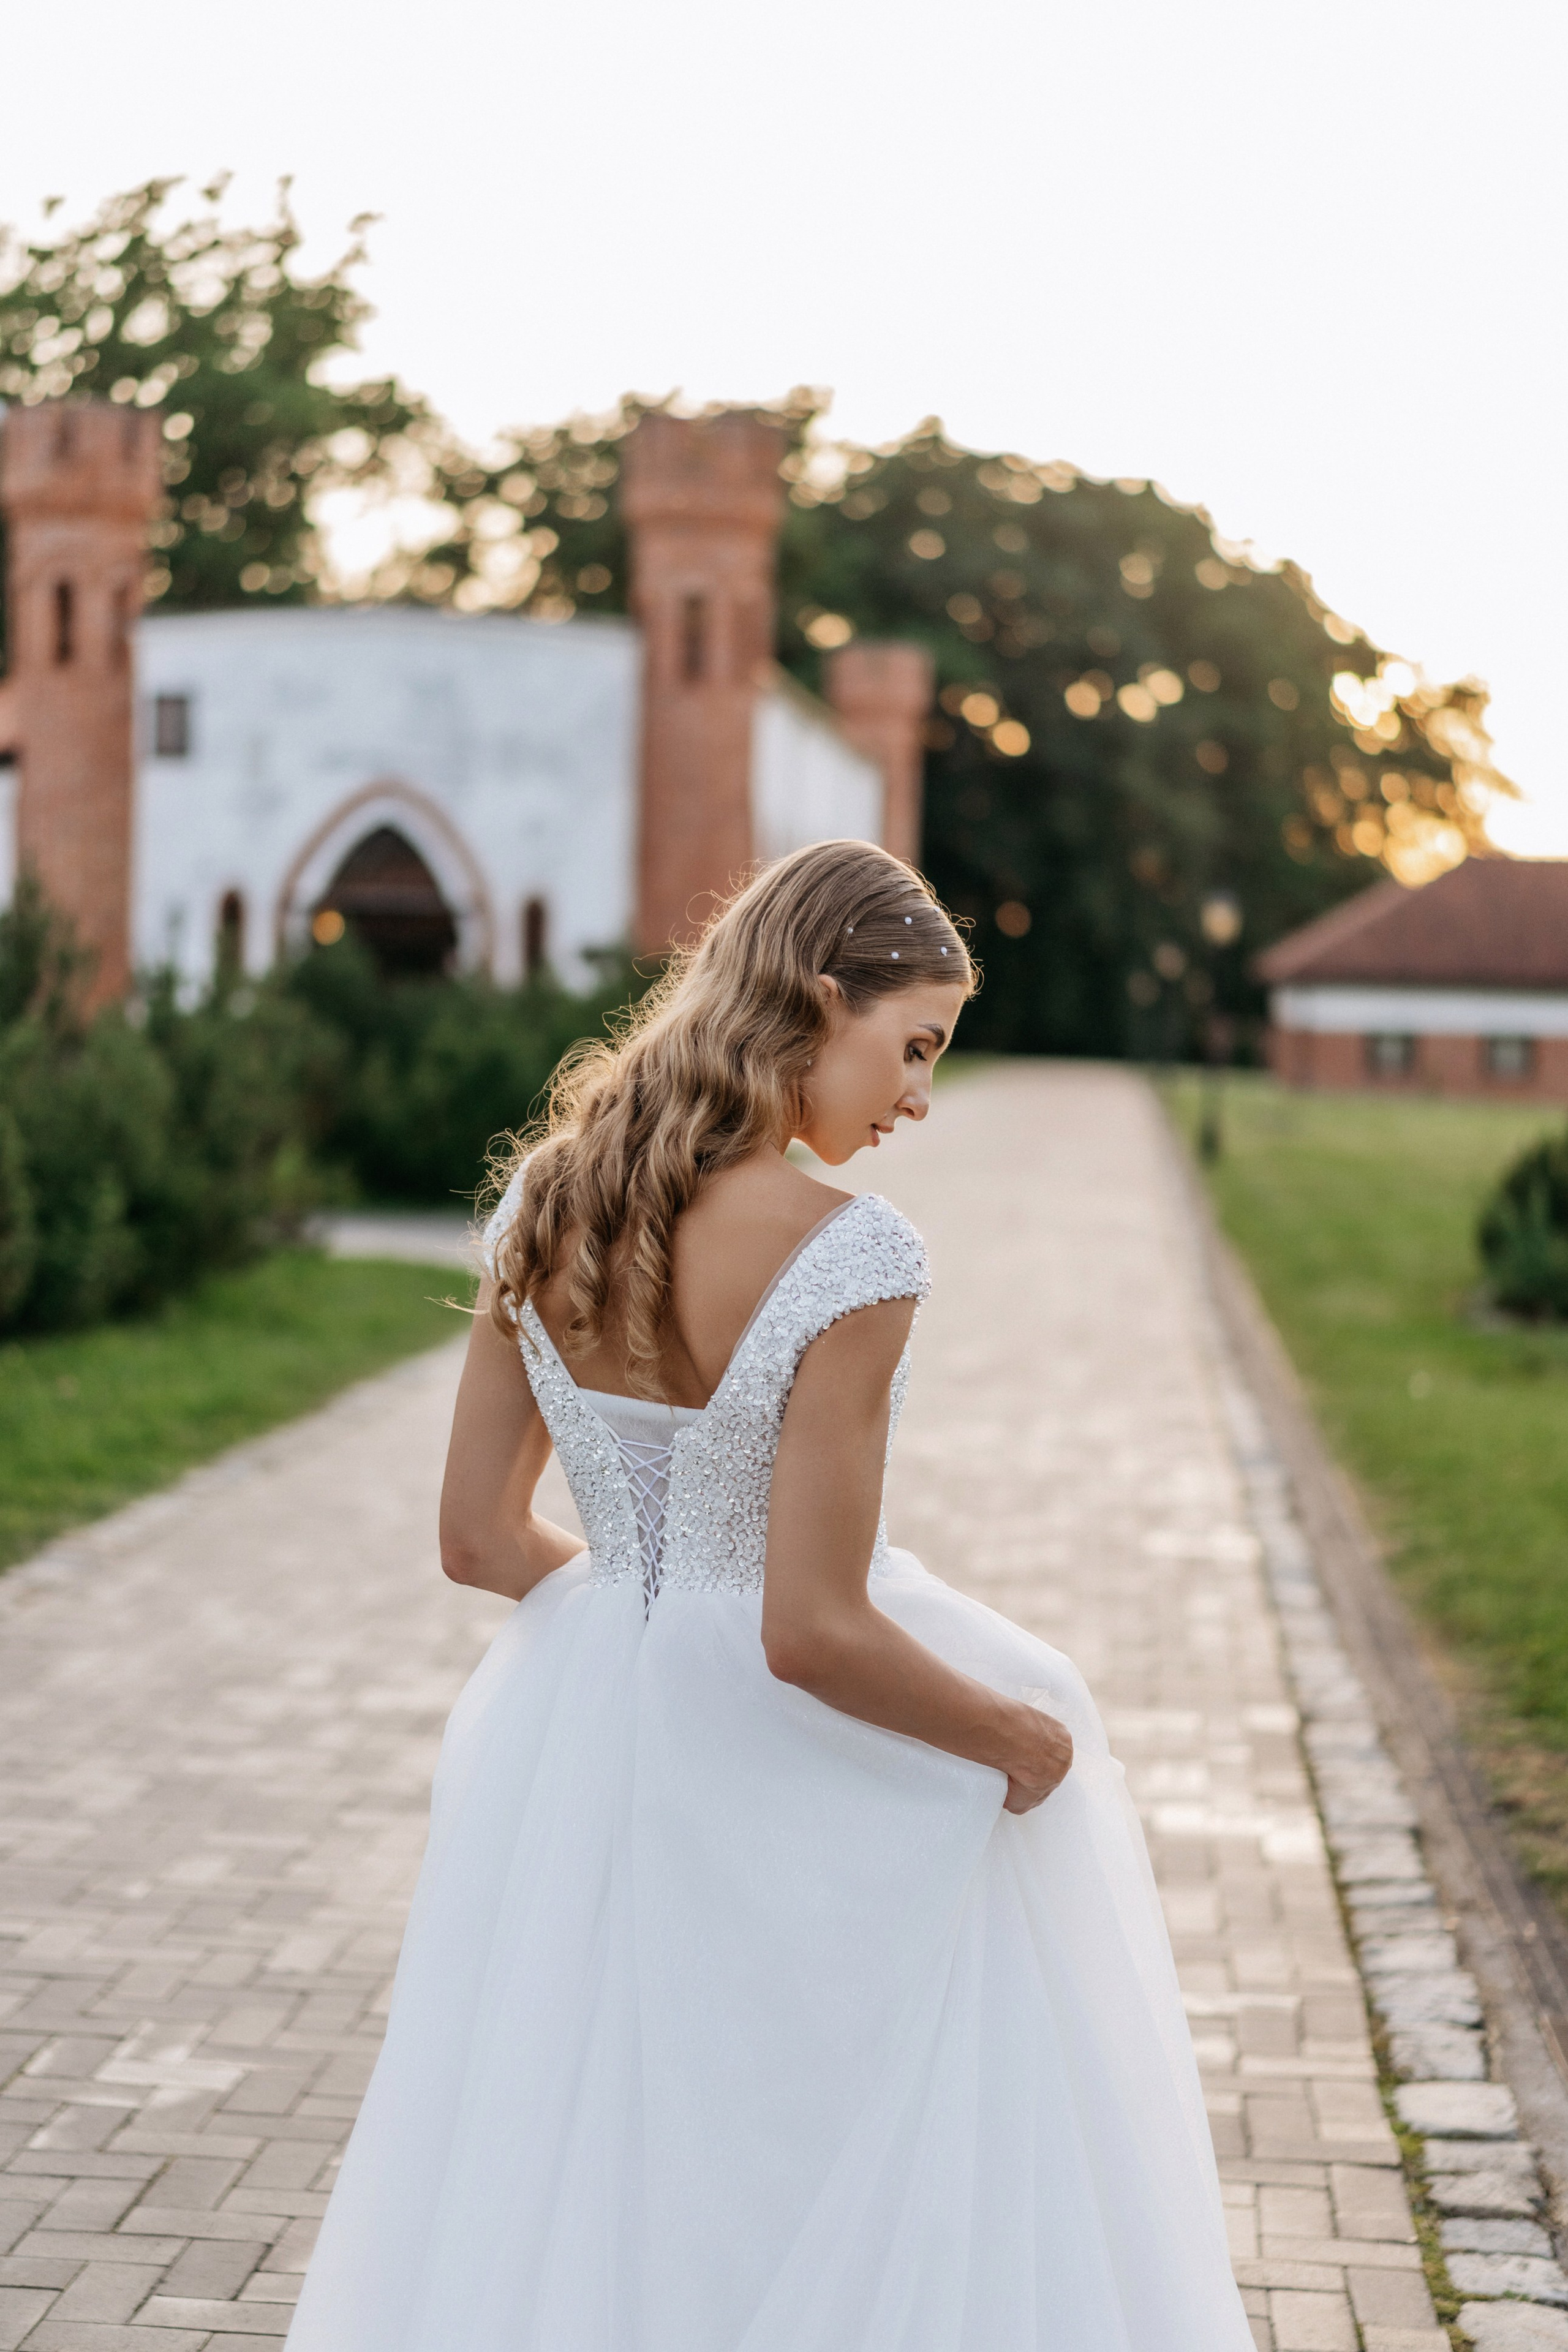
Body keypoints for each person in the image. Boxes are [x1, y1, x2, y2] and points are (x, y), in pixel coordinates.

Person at [285, 840, 1254, 2352]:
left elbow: (477, 1540)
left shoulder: (542, 1201)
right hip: (770, 1751)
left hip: (579, 1728)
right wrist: (1017, 1743)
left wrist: (631, 1623)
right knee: (808, 2138)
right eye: (913, 1045)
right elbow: (807, 1630)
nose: (918, 1098)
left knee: (585, 2131)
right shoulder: (850, 1254)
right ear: (816, 997)